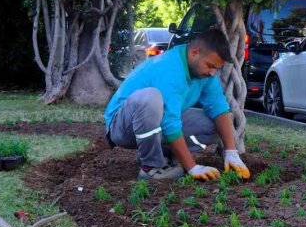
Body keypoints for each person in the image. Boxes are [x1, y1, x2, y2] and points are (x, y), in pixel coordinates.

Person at [104, 26, 251, 182]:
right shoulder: (171, 68)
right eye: (210, 66)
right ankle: (151, 167)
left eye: (216, 68)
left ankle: (162, 154)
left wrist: (231, 152)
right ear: (195, 52)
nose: (212, 73)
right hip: (122, 126)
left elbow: (219, 109)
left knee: (219, 125)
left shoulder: (204, 74)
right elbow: (170, 123)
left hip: (155, 121)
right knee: (151, 98)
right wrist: (192, 168)